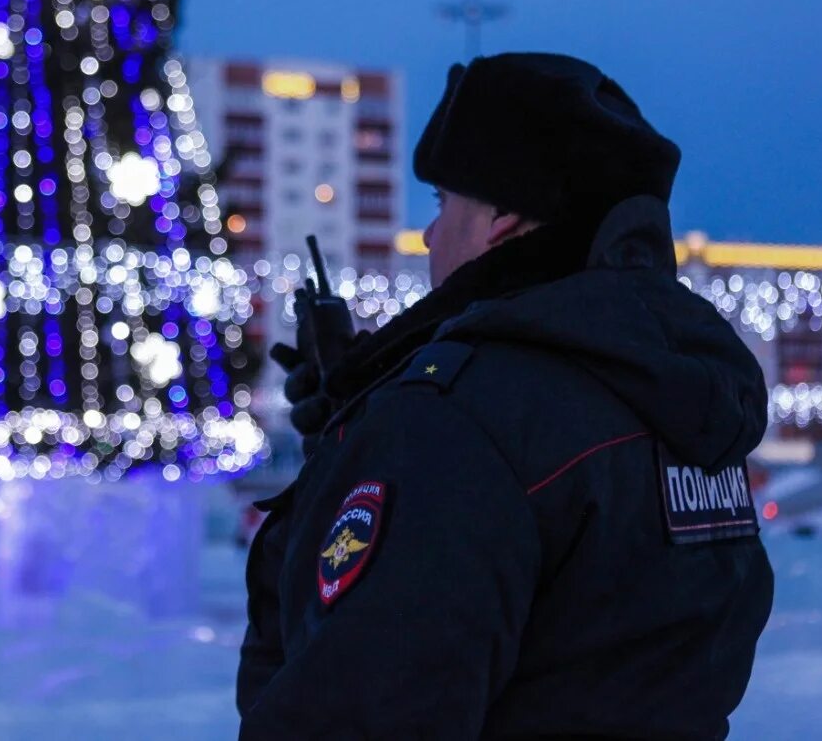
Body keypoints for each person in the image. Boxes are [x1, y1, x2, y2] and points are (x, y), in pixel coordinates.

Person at [238, 53, 774, 739]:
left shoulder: (457, 425)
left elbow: (355, 707)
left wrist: (390, 443)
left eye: (442, 201)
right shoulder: (675, 391)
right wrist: (357, 436)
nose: (430, 233)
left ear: (505, 215)